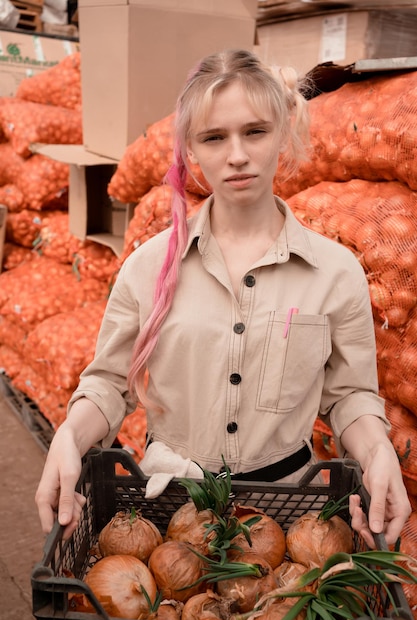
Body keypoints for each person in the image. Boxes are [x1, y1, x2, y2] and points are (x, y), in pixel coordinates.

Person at [35, 48, 410, 548]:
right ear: (191, 150)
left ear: (283, 135)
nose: (237, 155)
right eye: (214, 137)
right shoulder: (149, 267)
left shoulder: (335, 272)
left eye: (254, 132)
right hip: (167, 513)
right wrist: (68, 437)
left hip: (283, 519)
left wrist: (378, 451)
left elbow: (350, 397)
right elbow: (107, 384)